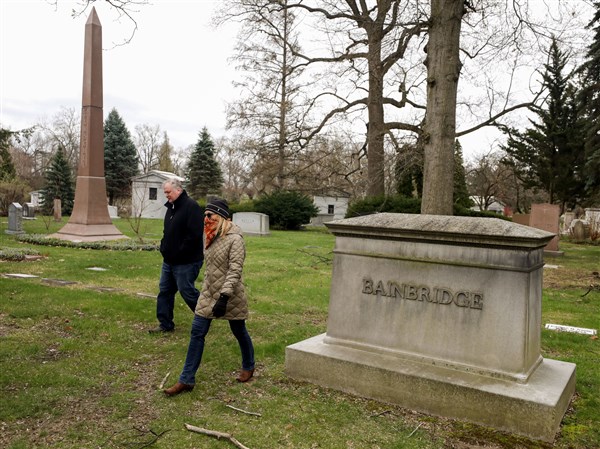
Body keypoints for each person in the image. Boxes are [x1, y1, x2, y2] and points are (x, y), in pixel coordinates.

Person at [164, 198, 255, 396]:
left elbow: (235, 270)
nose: (205, 218)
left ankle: (249, 365)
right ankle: (186, 380)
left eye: (209, 215)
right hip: (208, 294)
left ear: (221, 216)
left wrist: (224, 298)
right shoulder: (209, 236)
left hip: (230, 294)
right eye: (205, 214)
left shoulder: (235, 239)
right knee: (197, 332)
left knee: (239, 330)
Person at [149, 178, 204, 334]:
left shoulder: (191, 207)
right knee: (165, 291)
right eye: (165, 192)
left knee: (187, 290)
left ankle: (205, 314)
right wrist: (164, 247)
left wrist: (179, 252)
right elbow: (168, 232)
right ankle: (165, 324)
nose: (166, 195)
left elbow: (194, 236)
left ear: (178, 190)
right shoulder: (171, 207)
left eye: (168, 192)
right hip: (169, 261)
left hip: (187, 261)